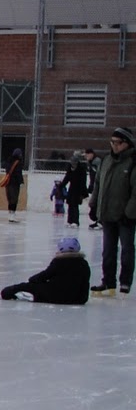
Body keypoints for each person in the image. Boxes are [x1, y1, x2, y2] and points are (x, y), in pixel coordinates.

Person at [92, 126, 136, 295]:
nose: (114, 146)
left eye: (117, 142)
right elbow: (98, 185)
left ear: (127, 143)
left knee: (127, 250)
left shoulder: (133, 162)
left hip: (126, 216)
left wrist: (129, 214)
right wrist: (94, 205)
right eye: (112, 142)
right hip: (107, 214)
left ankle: (125, 282)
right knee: (107, 251)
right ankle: (108, 282)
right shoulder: (106, 160)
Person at [0, 237, 91, 305]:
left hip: (55, 297)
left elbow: (45, 275)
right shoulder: (84, 264)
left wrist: (32, 279)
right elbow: (85, 283)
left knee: (26, 286)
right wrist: (82, 299)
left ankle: (4, 293)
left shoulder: (58, 262)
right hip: (77, 299)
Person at [62, 151, 90, 227]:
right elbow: (67, 178)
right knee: (70, 204)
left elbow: (83, 182)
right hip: (71, 189)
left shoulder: (81, 169)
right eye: (72, 162)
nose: (72, 164)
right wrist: (61, 185)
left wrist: (82, 193)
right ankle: (69, 221)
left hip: (78, 189)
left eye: (74, 163)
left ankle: (75, 221)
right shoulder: (69, 168)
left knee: (75, 206)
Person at [0, 148, 25, 222]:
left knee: (10, 199)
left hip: (8, 183)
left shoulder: (8, 161)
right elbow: (18, 173)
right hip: (15, 184)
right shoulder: (18, 163)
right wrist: (21, 182)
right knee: (14, 199)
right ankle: (12, 216)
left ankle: (10, 215)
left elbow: (4, 166)